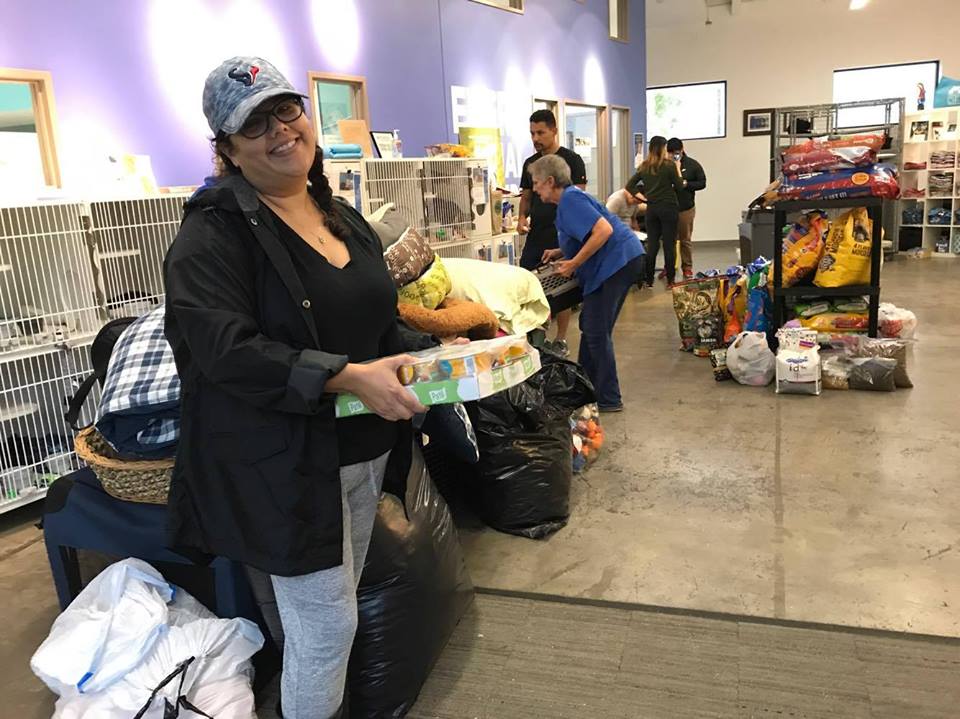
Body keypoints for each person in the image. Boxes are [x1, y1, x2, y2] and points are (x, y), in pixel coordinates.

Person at [163, 56, 436, 719]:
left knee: (314, 620)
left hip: (363, 453)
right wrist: (343, 376)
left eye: (286, 109)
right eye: (253, 123)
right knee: (328, 626)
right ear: (226, 148)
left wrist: (433, 357)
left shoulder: (339, 214)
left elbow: (378, 320)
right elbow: (224, 349)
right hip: (282, 466)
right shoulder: (212, 236)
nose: (280, 130)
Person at [529, 153, 644, 412]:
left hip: (615, 263)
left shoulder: (570, 199)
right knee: (592, 327)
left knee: (595, 331)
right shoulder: (570, 201)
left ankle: (608, 398)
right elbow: (587, 232)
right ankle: (584, 389)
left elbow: (604, 231)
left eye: (536, 182)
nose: (534, 188)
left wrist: (574, 263)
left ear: (549, 180)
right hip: (619, 262)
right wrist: (561, 252)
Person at [518, 109, 587, 357]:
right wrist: (521, 218)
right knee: (528, 282)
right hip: (536, 234)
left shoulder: (572, 160)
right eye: (532, 133)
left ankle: (560, 338)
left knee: (561, 285)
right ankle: (534, 338)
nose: (536, 138)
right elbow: (526, 196)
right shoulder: (530, 163)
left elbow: (578, 198)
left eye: (541, 132)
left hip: (561, 233)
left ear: (554, 130)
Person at [625, 135, 685, 287]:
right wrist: (678, 169)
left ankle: (649, 280)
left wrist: (644, 199)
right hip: (668, 208)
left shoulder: (644, 166)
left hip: (652, 209)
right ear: (663, 148)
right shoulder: (669, 165)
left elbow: (630, 186)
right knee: (669, 245)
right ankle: (671, 280)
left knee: (652, 245)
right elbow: (679, 187)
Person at [666, 137, 707, 279]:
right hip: (668, 208)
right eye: (670, 153)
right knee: (669, 240)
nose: (673, 156)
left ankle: (687, 267)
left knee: (685, 239)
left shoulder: (692, 165)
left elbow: (702, 183)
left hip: (686, 208)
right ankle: (668, 266)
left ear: (682, 149)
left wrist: (686, 184)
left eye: (676, 152)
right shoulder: (665, 165)